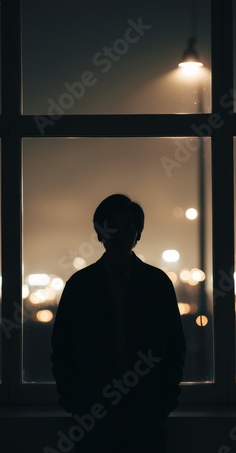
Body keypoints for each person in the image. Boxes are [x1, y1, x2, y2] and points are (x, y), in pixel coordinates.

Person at [51, 194, 186, 453]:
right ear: (100, 233)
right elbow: (62, 347)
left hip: (139, 409)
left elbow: (174, 346)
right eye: (112, 227)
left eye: (127, 227)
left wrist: (164, 402)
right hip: (100, 409)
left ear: (138, 233)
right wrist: (73, 401)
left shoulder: (156, 285)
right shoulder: (81, 286)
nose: (119, 235)